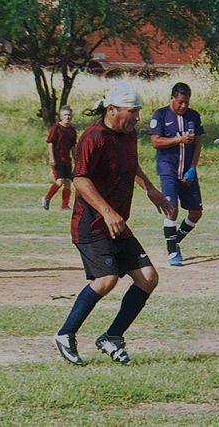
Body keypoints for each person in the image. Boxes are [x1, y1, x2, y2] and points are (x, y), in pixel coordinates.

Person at [53, 82, 175, 366]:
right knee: (106, 280)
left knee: (148, 277)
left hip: (116, 223)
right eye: (132, 112)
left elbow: (131, 165)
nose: (137, 118)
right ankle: (65, 334)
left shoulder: (128, 135)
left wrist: (150, 189)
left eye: (138, 112)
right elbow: (80, 179)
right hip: (92, 224)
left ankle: (112, 336)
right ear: (112, 110)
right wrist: (107, 211)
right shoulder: (92, 137)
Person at [149, 82, 204, 266]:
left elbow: (197, 143)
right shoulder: (161, 115)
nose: (183, 106)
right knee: (172, 209)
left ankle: (175, 240)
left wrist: (192, 168)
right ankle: (172, 253)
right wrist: (178, 139)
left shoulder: (193, 116)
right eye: (180, 102)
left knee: (196, 212)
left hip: (187, 171)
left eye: (187, 102)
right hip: (168, 170)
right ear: (172, 98)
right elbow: (155, 142)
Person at [41, 105, 77, 211]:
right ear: (61, 116)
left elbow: (73, 146)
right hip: (57, 160)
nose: (67, 117)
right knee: (60, 181)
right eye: (65, 115)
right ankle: (46, 198)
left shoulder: (72, 130)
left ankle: (65, 205)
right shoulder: (56, 128)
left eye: (69, 115)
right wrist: (52, 158)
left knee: (68, 183)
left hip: (67, 160)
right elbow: (50, 143)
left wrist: (76, 159)